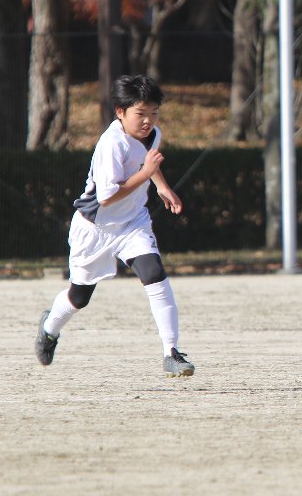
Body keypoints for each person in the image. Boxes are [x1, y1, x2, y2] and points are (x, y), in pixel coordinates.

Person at [34, 75, 195, 377]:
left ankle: (171, 352)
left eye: (154, 113)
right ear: (120, 111)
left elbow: (146, 161)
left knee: (154, 274)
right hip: (95, 228)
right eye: (140, 113)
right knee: (79, 298)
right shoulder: (111, 144)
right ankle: (50, 328)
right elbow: (107, 197)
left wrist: (161, 185)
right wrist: (147, 173)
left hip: (132, 223)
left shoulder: (153, 134)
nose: (148, 121)